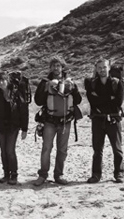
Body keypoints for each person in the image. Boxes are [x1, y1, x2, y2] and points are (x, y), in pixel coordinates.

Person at [32, 57, 82, 186]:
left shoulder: (70, 82)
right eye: (53, 65)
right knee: (46, 148)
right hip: (49, 121)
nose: (56, 68)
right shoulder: (45, 82)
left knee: (62, 150)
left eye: (58, 65)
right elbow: (38, 101)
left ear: (62, 67)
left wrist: (74, 88)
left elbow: (78, 100)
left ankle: (58, 175)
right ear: (50, 68)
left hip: (66, 121)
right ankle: (43, 175)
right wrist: (46, 87)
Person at [84, 58, 124, 183]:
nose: (102, 70)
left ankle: (119, 174)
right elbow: (92, 101)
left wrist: (100, 99)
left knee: (117, 149)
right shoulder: (91, 83)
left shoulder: (117, 83)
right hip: (97, 120)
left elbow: (118, 102)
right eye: (100, 67)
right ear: (96, 69)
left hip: (113, 119)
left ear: (109, 68)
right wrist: (109, 98)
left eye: (104, 67)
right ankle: (96, 175)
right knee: (97, 150)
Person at [0, 72, 29, 185]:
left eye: (3, 80)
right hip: (0, 127)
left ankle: (14, 175)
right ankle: (6, 174)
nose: (1, 83)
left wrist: (24, 129)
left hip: (13, 127)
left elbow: (24, 111)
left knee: (10, 150)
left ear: (8, 80)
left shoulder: (16, 93)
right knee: (3, 151)